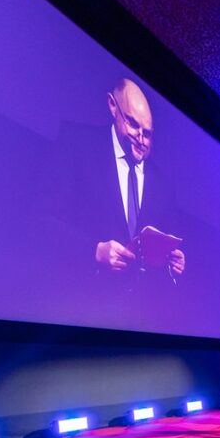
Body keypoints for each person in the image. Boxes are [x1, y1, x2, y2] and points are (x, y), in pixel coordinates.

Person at [50, 78, 185, 298]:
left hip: (142, 313)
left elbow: (168, 245)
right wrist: (93, 252)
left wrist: (174, 261)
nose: (141, 139)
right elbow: (40, 219)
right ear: (113, 106)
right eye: (132, 124)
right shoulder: (76, 144)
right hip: (79, 301)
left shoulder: (163, 185)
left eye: (148, 133)